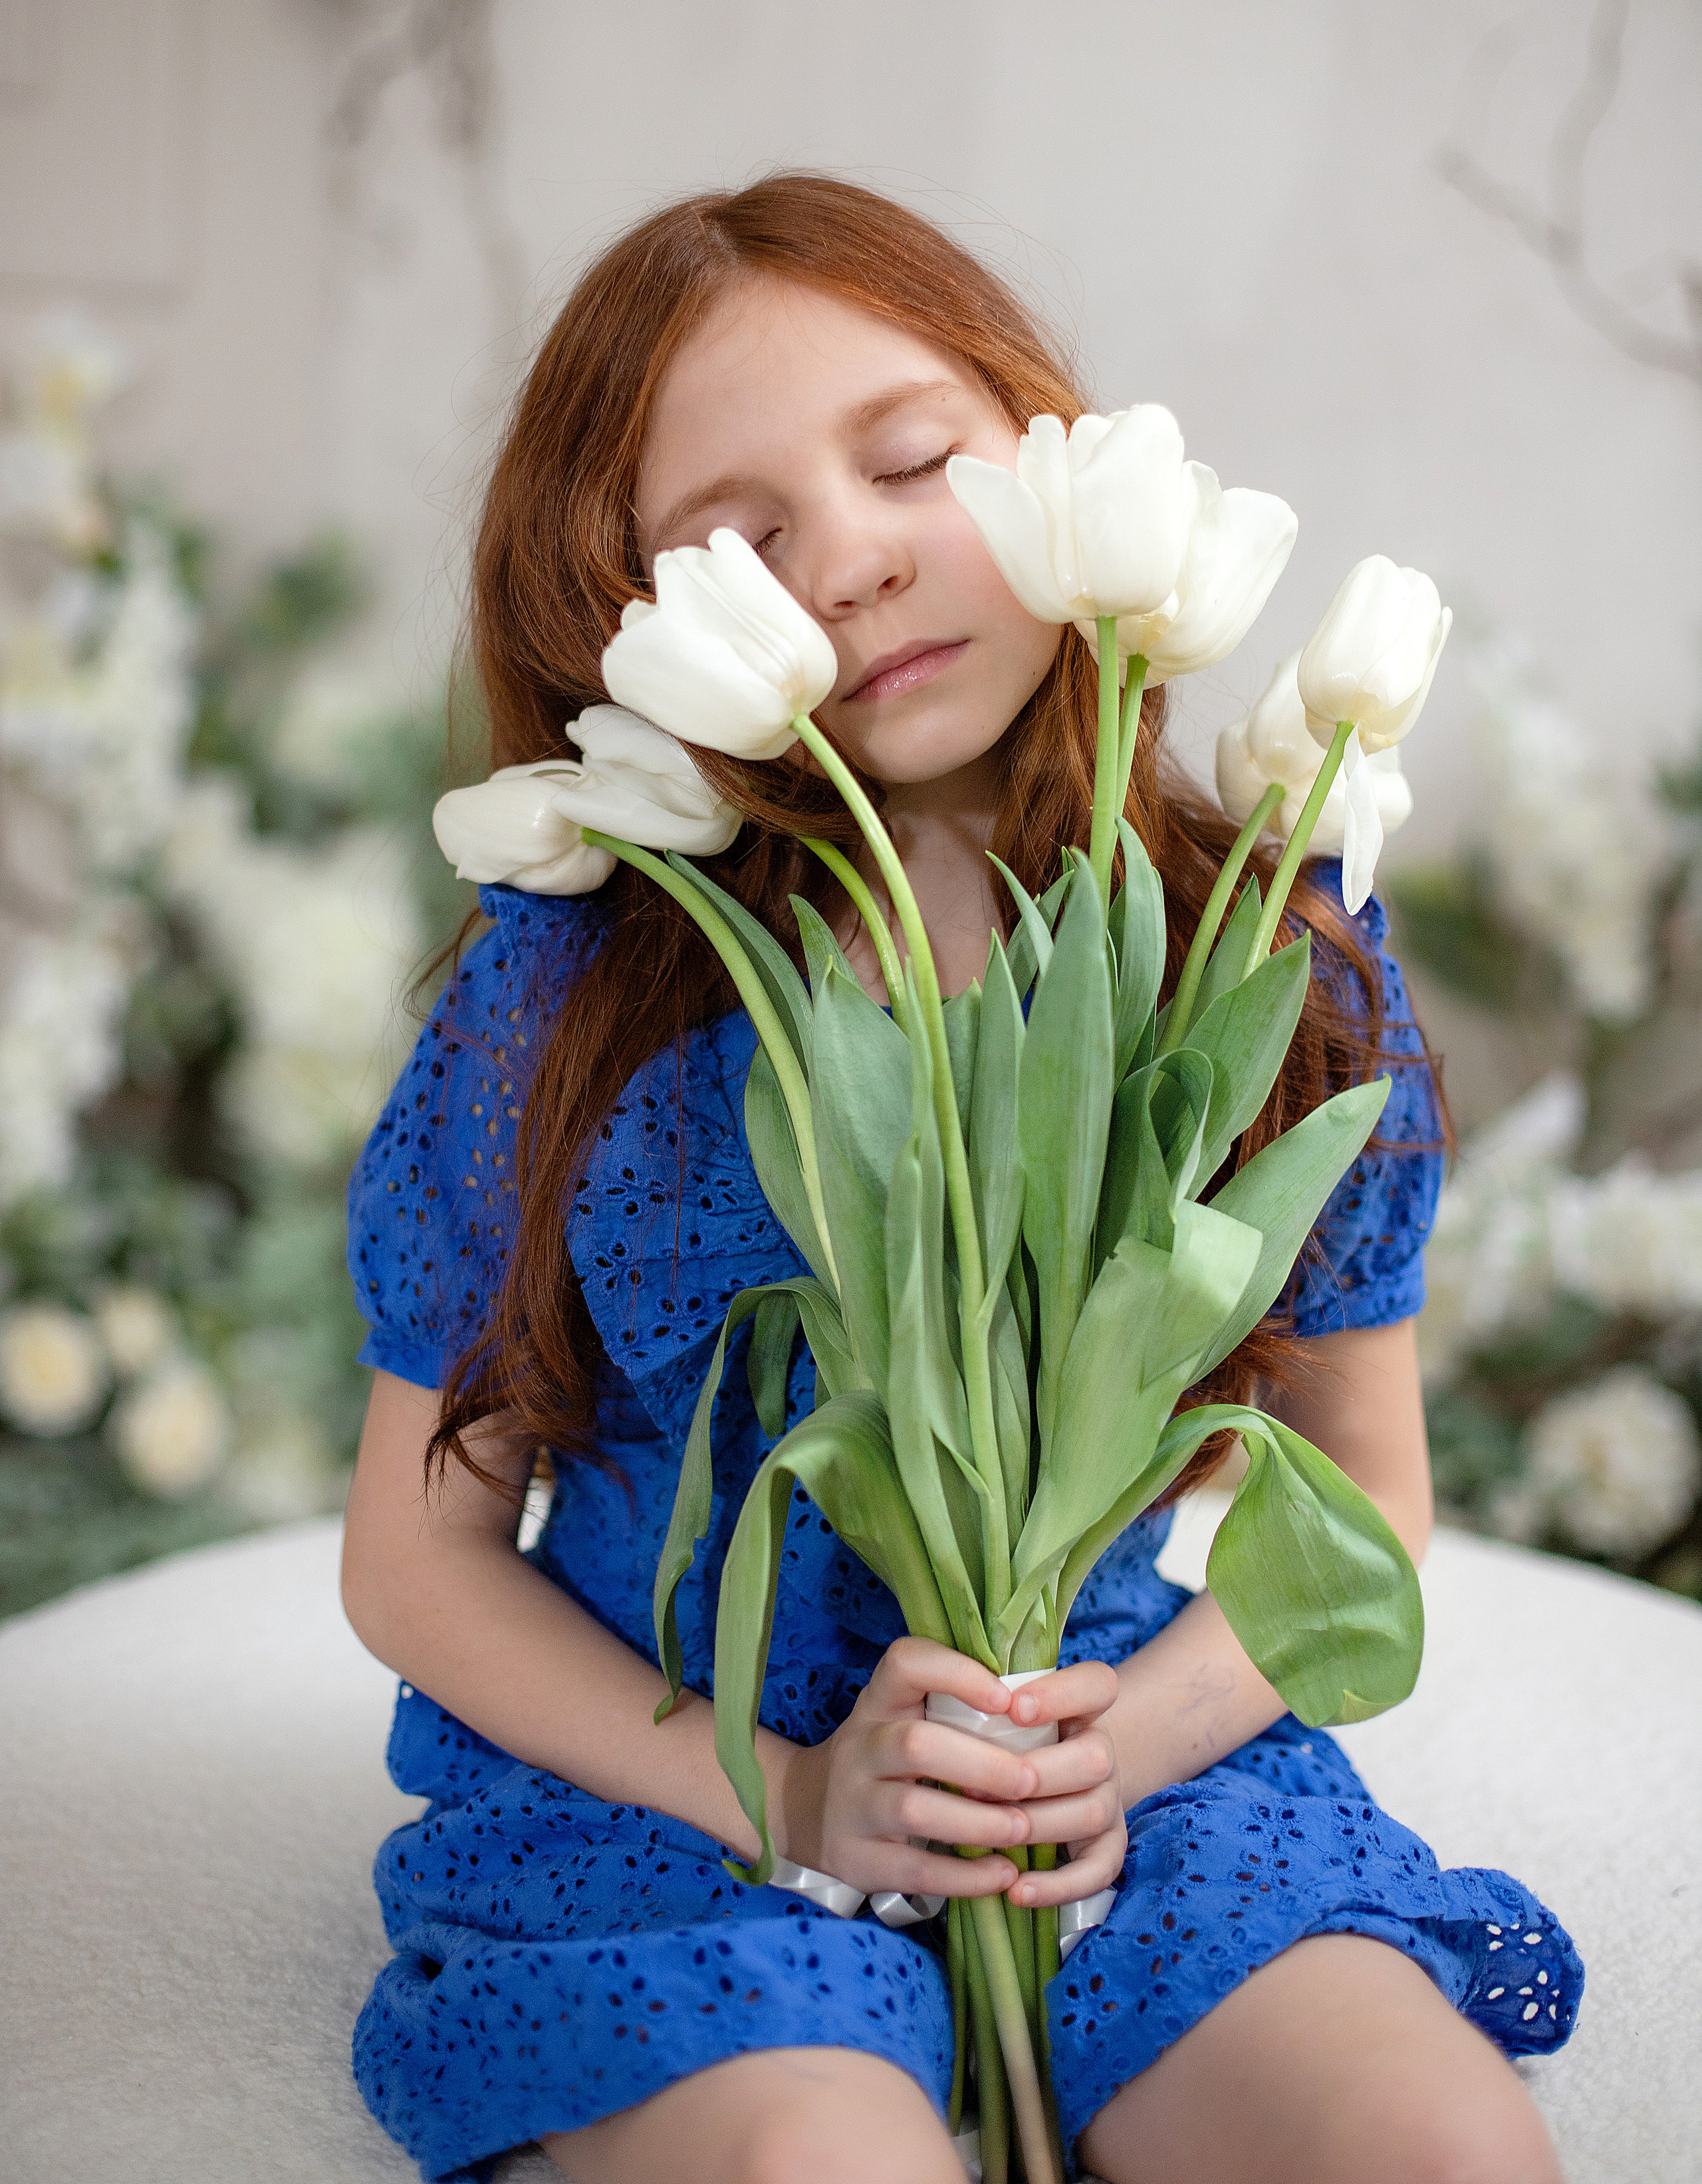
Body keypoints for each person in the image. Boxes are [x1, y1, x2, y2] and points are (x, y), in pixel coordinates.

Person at [340, 176, 1579, 2184]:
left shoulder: (1268, 946)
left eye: (913, 459)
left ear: (1050, 451)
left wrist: (1138, 1740)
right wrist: (803, 1797)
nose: (850, 563)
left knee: (1433, 2147)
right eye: (736, 546)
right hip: (693, 1790)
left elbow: (1365, 1482)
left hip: (1114, 1758)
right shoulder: (569, 1001)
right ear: (636, 631)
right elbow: (412, 1558)